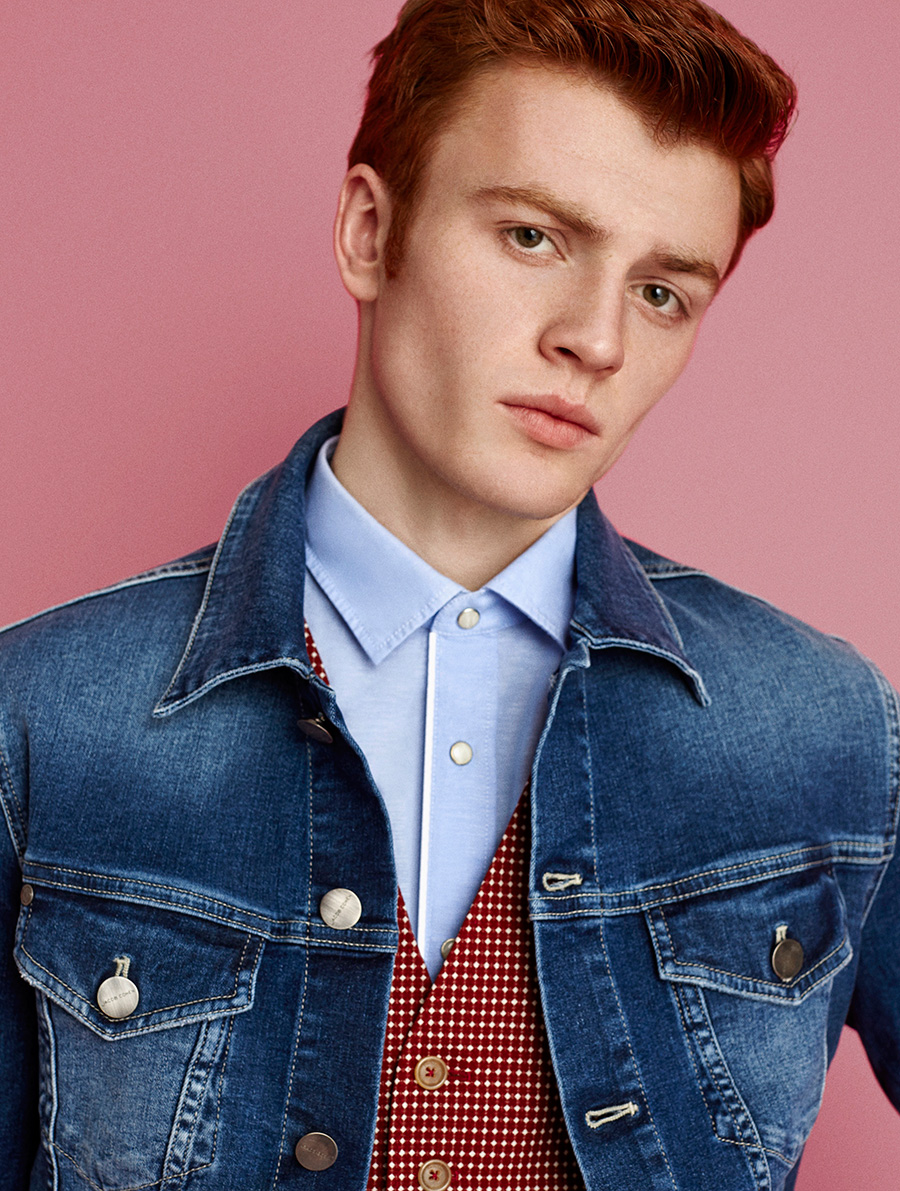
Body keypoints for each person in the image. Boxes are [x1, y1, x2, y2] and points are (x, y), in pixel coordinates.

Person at [1, 0, 897, 1188]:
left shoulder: (828, 730)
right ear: (372, 233)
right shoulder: (41, 720)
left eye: (661, 292)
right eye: (534, 236)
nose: (595, 341)